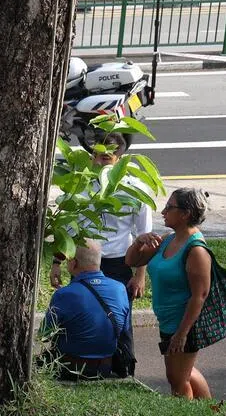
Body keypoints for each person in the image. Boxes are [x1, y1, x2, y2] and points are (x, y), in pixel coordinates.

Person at [125, 187, 214, 399]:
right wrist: (139, 241)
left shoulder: (196, 250)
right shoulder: (167, 239)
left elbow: (199, 296)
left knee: (177, 379)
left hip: (184, 325)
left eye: (169, 207)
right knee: (184, 373)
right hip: (169, 322)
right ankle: (210, 412)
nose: (163, 211)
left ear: (185, 214)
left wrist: (181, 334)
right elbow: (131, 261)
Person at [50, 133, 151, 302]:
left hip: (118, 263)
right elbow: (67, 227)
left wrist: (140, 275)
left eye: (105, 158)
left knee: (116, 318)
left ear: (119, 160)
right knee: (83, 313)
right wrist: (56, 263)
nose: (97, 163)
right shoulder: (80, 185)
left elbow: (144, 235)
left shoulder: (134, 190)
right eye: (94, 156)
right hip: (83, 263)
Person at [42, 240, 133, 380]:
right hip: (105, 368)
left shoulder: (64, 294)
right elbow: (123, 330)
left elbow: (45, 334)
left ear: (73, 263)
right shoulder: (120, 289)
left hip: (70, 368)